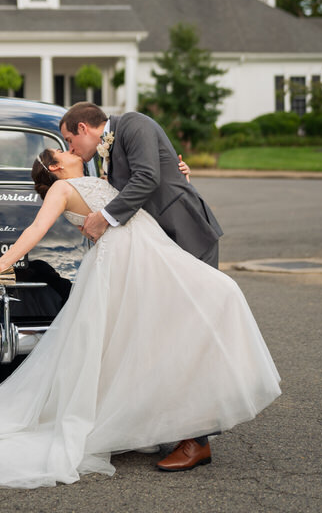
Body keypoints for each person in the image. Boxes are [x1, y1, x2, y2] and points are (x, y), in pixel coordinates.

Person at [0, 148, 281, 487]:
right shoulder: (63, 188)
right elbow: (35, 230)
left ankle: (169, 421)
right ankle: (167, 426)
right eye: (63, 150)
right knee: (203, 302)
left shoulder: (99, 173)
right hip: (125, 264)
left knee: (168, 325)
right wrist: (0, 266)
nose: (72, 150)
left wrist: (175, 170)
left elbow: (140, 185)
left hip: (147, 258)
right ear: (57, 167)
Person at [60, 101, 224, 470]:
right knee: (162, 336)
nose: (72, 150)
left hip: (188, 235)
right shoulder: (108, 154)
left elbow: (148, 178)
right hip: (161, 248)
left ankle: (197, 441)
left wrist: (104, 217)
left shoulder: (133, 125)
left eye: (70, 140)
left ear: (85, 128)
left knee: (188, 335)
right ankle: (164, 427)